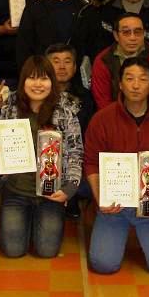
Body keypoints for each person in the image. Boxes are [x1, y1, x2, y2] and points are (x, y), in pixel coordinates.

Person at [84, 56, 149, 275]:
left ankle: (148, 236)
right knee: (103, 264)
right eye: (129, 78)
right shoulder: (102, 119)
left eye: (142, 79)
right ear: (120, 84)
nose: (135, 85)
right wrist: (99, 197)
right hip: (114, 206)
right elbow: (91, 163)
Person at [0, 56, 82, 258]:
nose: (37, 84)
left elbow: (76, 152)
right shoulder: (9, 108)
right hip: (16, 191)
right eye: (32, 78)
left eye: (43, 78)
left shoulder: (65, 111)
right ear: (23, 81)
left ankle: (40, 220)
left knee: (46, 251)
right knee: (13, 251)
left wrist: (69, 188)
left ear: (52, 81)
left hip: (50, 194)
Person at [45, 43, 95, 219]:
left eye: (67, 62)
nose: (61, 66)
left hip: (76, 159)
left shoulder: (86, 98)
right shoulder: (37, 93)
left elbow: (89, 136)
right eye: (56, 61)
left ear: (74, 68)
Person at [15, 0, 88, 69]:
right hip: (42, 70)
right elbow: (24, 43)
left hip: (76, 70)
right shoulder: (35, 7)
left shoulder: (85, 7)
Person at [91, 13, 149, 110]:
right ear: (116, 35)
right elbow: (102, 102)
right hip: (113, 116)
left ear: (144, 34)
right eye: (126, 32)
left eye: (137, 32)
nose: (132, 38)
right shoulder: (103, 60)